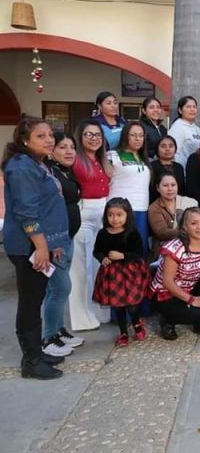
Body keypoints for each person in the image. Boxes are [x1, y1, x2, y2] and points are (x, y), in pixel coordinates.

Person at [3, 118, 70, 379]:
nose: (49, 140)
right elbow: (27, 212)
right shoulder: (21, 168)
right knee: (30, 302)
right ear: (24, 140)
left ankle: (37, 352)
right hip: (28, 246)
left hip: (44, 243)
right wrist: (42, 247)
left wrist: (52, 245)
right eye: (41, 136)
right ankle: (31, 361)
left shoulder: (37, 163)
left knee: (37, 297)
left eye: (50, 135)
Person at [42, 133, 84, 356]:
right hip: (54, 241)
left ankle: (59, 331)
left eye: (71, 147)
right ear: (51, 151)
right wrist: (51, 241)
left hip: (66, 238)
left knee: (58, 290)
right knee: (60, 289)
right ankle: (48, 338)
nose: (69, 151)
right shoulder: (48, 173)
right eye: (62, 147)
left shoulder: (65, 171)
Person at [149, 207, 200, 340]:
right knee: (196, 312)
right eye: (194, 223)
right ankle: (168, 321)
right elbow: (167, 282)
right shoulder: (175, 248)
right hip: (166, 293)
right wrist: (192, 300)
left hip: (190, 286)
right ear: (185, 227)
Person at [70, 119, 111, 331]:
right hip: (84, 216)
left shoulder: (101, 160)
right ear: (80, 136)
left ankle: (97, 310)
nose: (94, 138)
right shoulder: (76, 160)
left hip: (102, 217)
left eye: (97, 135)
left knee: (97, 267)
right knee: (81, 269)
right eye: (89, 134)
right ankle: (80, 317)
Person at [92, 198, 151, 347]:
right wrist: (103, 258)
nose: (115, 219)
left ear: (127, 215)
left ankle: (136, 323)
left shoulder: (132, 233)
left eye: (119, 215)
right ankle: (123, 332)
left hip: (131, 273)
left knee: (131, 303)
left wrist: (123, 256)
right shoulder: (103, 233)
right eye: (111, 215)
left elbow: (139, 252)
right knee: (117, 304)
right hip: (112, 275)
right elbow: (97, 251)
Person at [107, 121, 152, 252]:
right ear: (125, 136)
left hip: (141, 209)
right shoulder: (112, 156)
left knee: (139, 250)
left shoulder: (144, 158)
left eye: (141, 135)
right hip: (120, 210)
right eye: (133, 135)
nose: (137, 138)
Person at [148, 173, 198, 254]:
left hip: (191, 244)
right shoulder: (154, 208)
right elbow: (162, 233)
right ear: (158, 188)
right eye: (165, 185)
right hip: (166, 249)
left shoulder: (188, 202)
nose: (170, 189)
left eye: (173, 185)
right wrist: (185, 229)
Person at [149, 135, 186, 203]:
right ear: (157, 149)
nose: (167, 149)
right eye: (163, 146)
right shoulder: (152, 166)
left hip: (177, 205)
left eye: (171, 146)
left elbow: (182, 190)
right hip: (157, 205)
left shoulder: (179, 167)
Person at [168, 96, 200, 168]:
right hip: (182, 169)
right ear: (180, 110)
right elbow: (173, 153)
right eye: (188, 107)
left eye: (194, 107)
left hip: (194, 169)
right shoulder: (177, 128)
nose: (192, 109)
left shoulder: (196, 128)